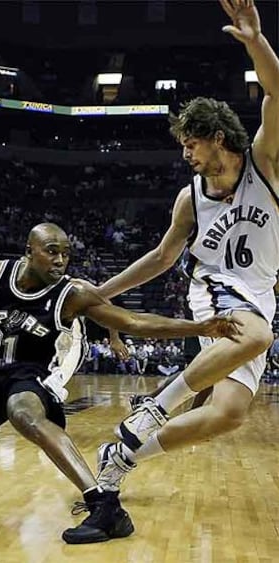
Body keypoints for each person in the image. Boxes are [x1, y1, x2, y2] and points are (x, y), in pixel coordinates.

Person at [0, 223, 239, 544]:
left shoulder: (72, 294)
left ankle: (104, 506)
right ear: (29, 252)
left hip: (31, 378)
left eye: (65, 254)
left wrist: (199, 326)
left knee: (22, 411)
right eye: (51, 252)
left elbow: (134, 321)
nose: (60, 260)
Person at [96, 0, 279, 492]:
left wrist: (255, 42)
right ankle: (152, 408)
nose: (186, 154)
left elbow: (277, 92)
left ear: (216, 138)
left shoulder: (264, 164)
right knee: (256, 336)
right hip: (216, 290)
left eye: (190, 145)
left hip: (260, 295)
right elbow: (161, 257)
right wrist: (100, 294)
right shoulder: (190, 198)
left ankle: (124, 454)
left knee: (227, 415)